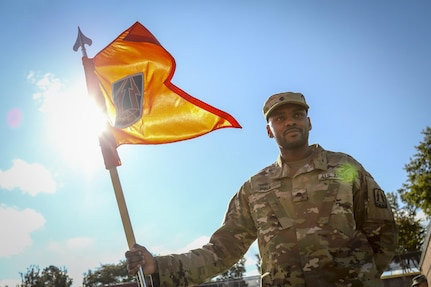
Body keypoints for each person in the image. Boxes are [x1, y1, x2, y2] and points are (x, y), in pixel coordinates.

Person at [125, 92, 398, 287]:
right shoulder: (255, 189)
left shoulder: (345, 167)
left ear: (309, 122)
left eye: (297, 115)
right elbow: (221, 251)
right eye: (279, 118)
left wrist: (358, 277)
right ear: (269, 130)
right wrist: (158, 267)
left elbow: (382, 232)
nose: (289, 122)